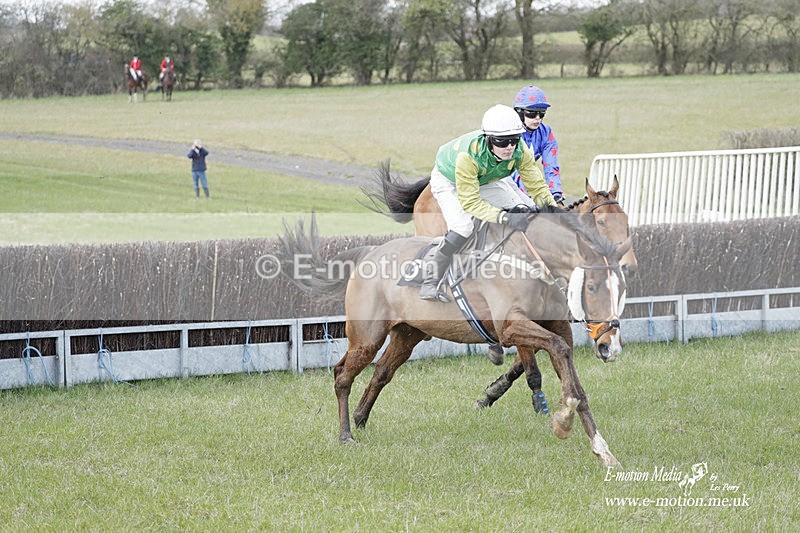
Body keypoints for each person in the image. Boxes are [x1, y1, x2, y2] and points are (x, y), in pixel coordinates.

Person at [419, 104, 558, 302]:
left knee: (525, 210)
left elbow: (537, 187)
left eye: (514, 140)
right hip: (449, 180)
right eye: (502, 142)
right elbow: (470, 203)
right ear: (488, 139)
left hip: (484, 178)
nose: (509, 147)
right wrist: (503, 216)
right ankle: (430, 281)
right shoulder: (468, 157)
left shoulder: (520, 150)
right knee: (463, 227)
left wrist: (555, 212)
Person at [511, 85, 564, 205]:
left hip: (526, 180)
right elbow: (513, 170)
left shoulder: (546, 133)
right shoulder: (509, 133)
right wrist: (529, 195)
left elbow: (551, 166)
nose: (537, 119)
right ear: (519, 112)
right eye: (532, 114)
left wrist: (556, 195)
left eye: (542, 114)